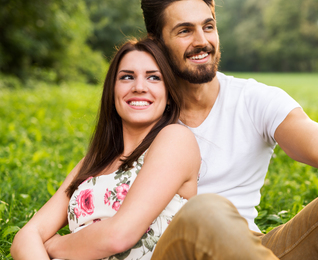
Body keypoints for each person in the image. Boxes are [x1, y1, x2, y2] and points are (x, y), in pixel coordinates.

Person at [35, 0, 318, 260]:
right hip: (175, 249)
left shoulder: (252, 99)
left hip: (252, 248)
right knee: (205, 210)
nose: (202, 41)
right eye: (184, 31)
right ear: (157, 42)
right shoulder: (145, 112)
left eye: (208, 27)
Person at [10, 38, 201, 259]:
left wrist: (54, 246)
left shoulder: (175, 139)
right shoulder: (94, 160)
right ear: (112, 91)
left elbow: (119, 236)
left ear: (169, 95)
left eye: (153, 77)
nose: (139, 87)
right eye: (127, 77)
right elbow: (28, 235)